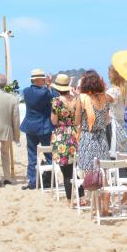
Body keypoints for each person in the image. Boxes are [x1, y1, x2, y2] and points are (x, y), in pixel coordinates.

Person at [75, 71, 111, 213]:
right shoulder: (105, 98)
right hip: (102, 138)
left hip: (88, 138)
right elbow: (107, 120)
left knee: (91, 175)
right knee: (103, 174)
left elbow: (77, 121)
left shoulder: (82, 99)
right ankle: (105, 207)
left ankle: (96, 208)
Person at [20, 68, 54, 190]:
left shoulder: (26, 91)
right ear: (39, 80)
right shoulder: (45, 92)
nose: (45, 81)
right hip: (44, 126)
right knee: (49, 154)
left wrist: (47, 86)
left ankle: (32, 181)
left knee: (32, 155)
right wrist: (50, 85)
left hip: (30, 126)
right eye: (43, 79)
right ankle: (51, 180)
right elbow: (54, 96)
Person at [50, 72, 79, 200]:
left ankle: (69, 199)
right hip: (74, 134)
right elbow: (78, 120)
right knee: (74, 169)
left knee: (66, 171)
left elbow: (54, 121)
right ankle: (81, 197)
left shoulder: (56, 102)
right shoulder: (75, 100)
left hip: (61, 135)